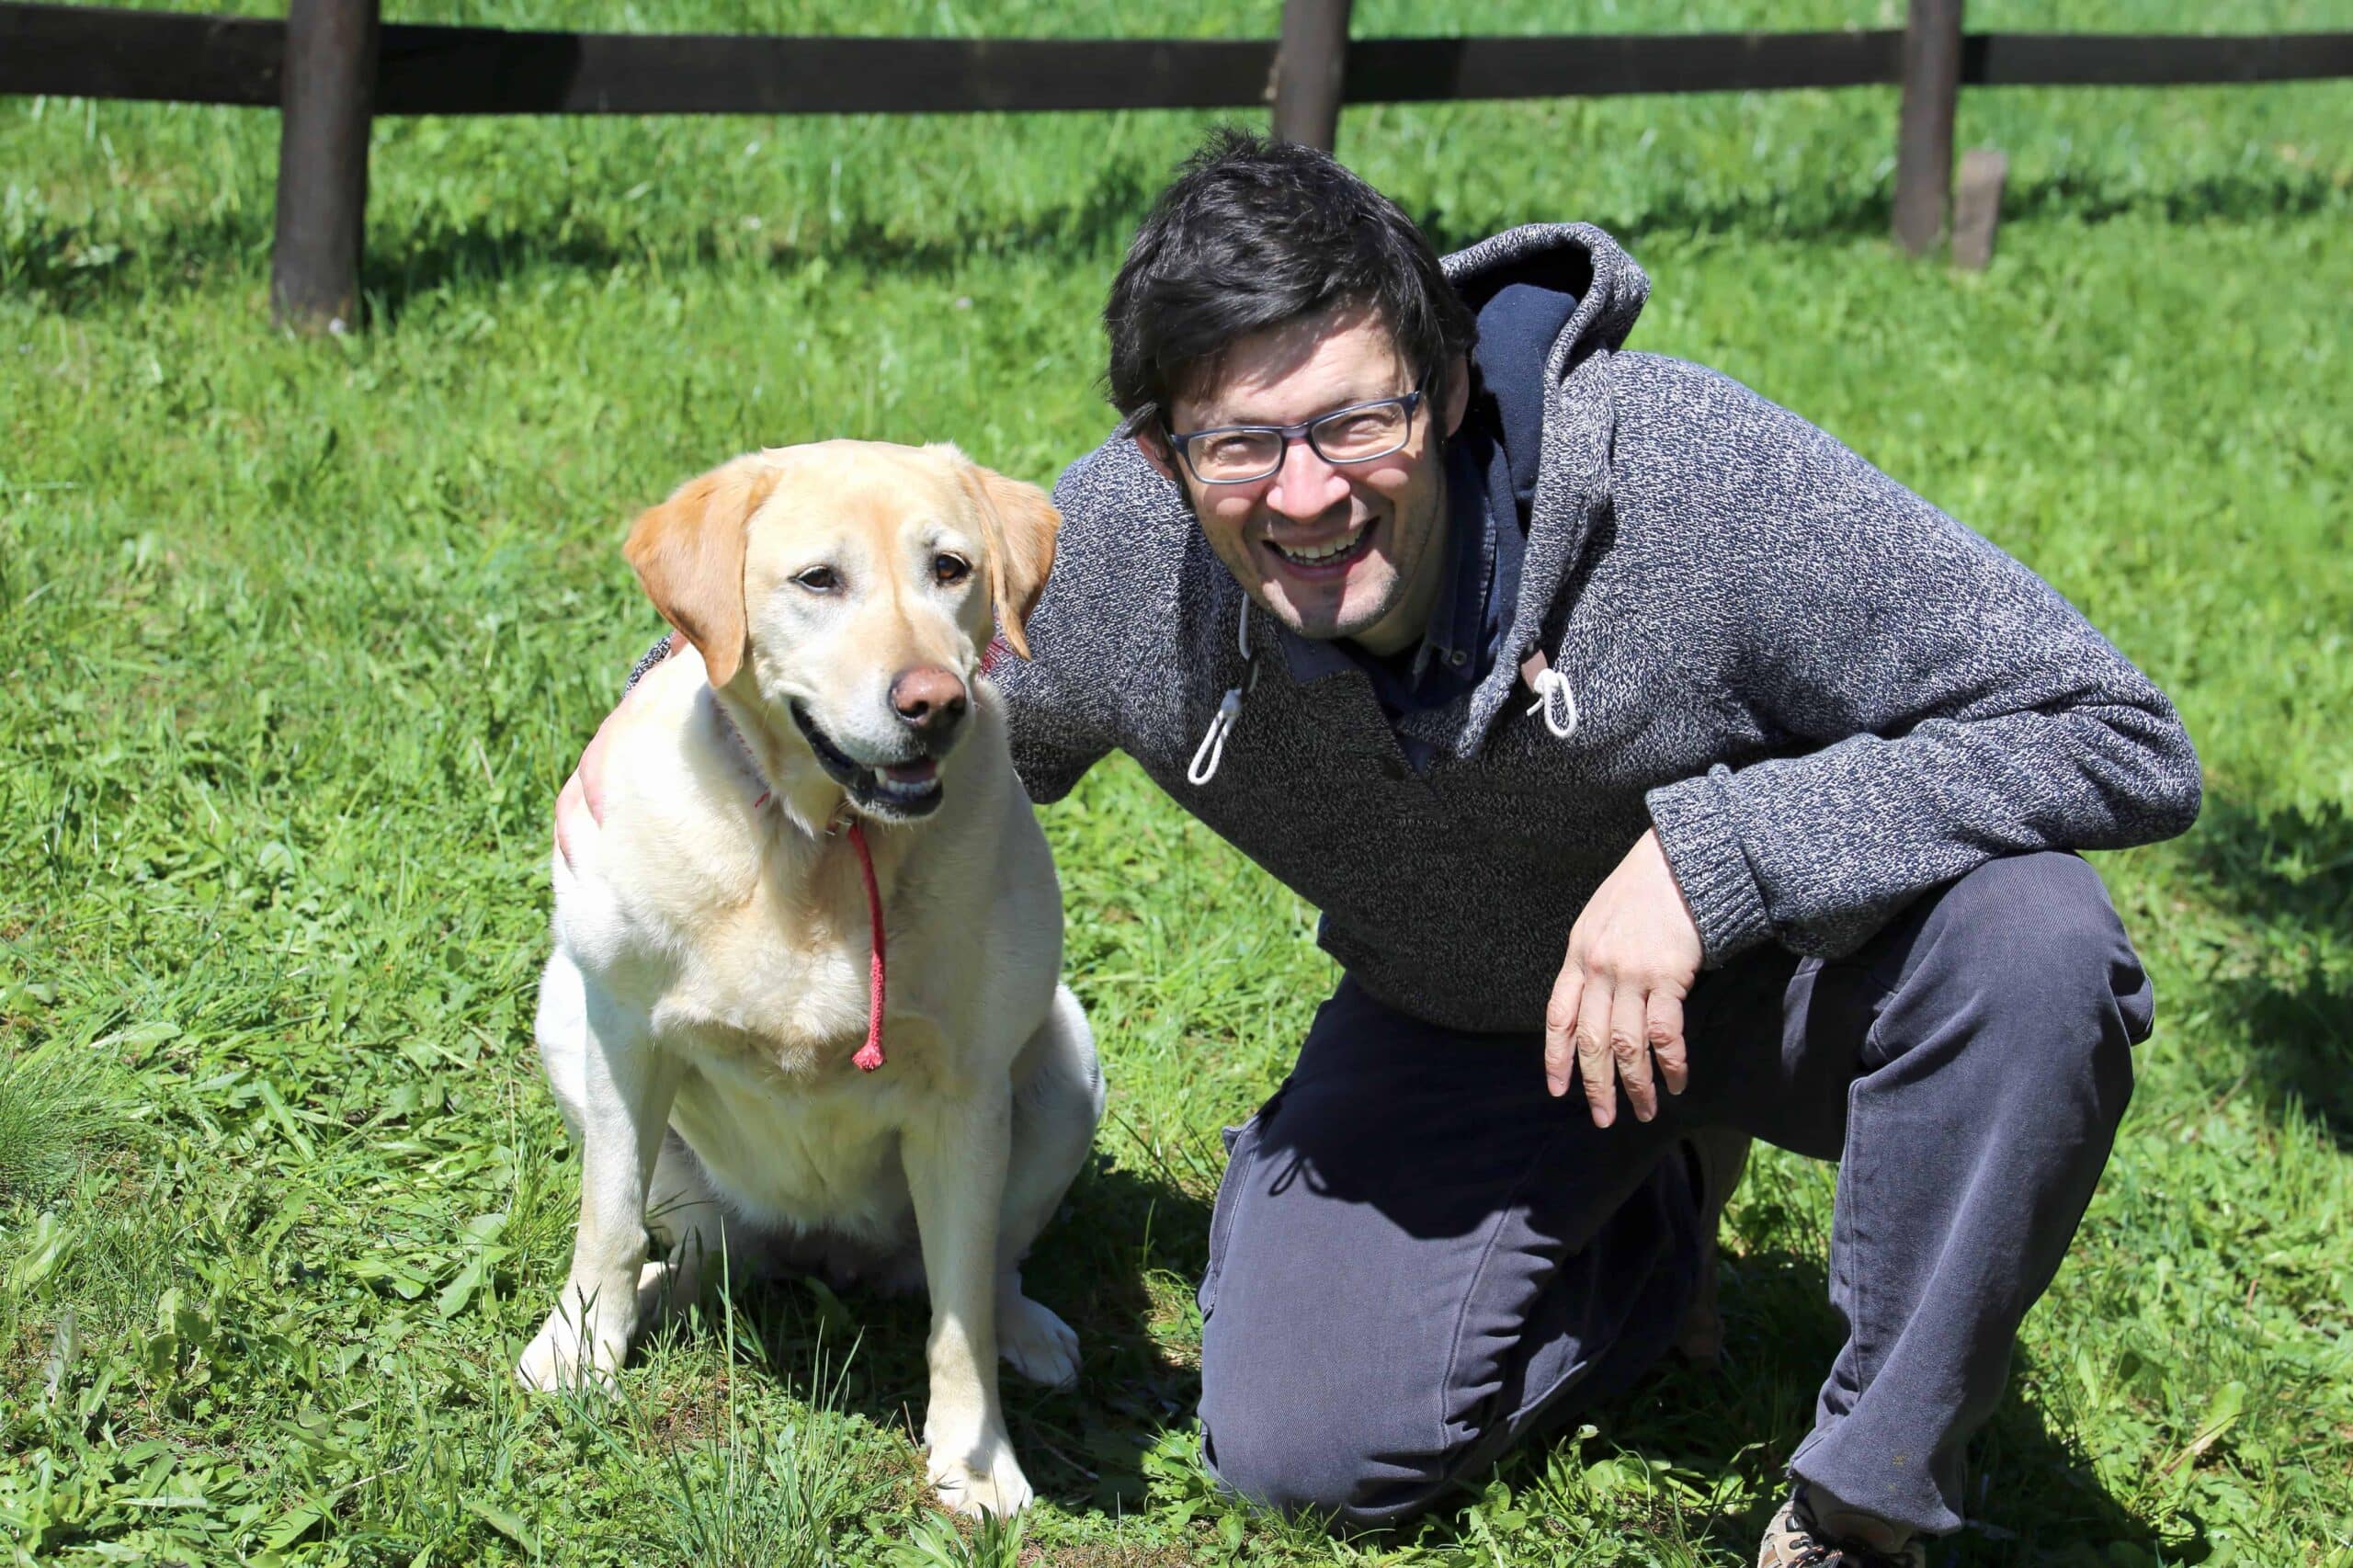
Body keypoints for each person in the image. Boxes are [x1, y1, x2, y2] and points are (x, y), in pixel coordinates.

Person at [559, 130, 2199, 1566]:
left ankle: (1867, 1502)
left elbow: (2115, 725)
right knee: (1297, 1452)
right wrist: (650, 734)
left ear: (1454, 379)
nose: (1307, 493)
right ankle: (1649, 1232)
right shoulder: (1117, 564)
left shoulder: (1687, 479)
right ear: (1160, 461)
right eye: (1238, 446)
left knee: (2034, 946)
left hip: (1804, 976)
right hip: (1485, 1026)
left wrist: (1719, 854)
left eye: (1360, 421)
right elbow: (887, 686)